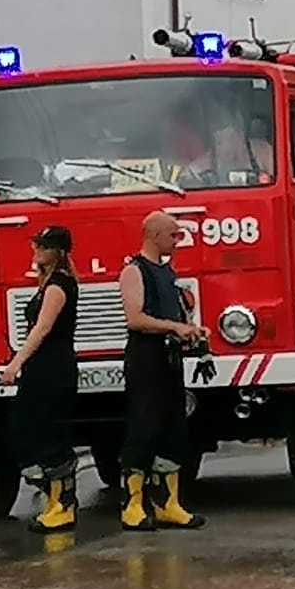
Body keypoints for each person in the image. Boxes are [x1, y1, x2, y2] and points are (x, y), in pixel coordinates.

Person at [117, 211, 209, 531]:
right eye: (173, 236)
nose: (177, 242)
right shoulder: (134, 270)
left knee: (173, 429)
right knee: (144, 428)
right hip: (145, 357)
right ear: (154, 235)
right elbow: (135, 318)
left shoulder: (167, 272)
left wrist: (191, 330)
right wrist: (174, 327)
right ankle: (132, 505)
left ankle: (168, 503)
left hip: (170, 356)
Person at [0, 226, 81, 534]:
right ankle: (52, 496)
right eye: (36, 243)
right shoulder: (47, 283)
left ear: (58, 252)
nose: (36, 248)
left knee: (50, 434)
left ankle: (63, 505)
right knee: (24, 427)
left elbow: (42, 329)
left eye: (44, 246)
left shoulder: (59, 286)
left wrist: (15, 363)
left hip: (53, 365)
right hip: (42, 366)